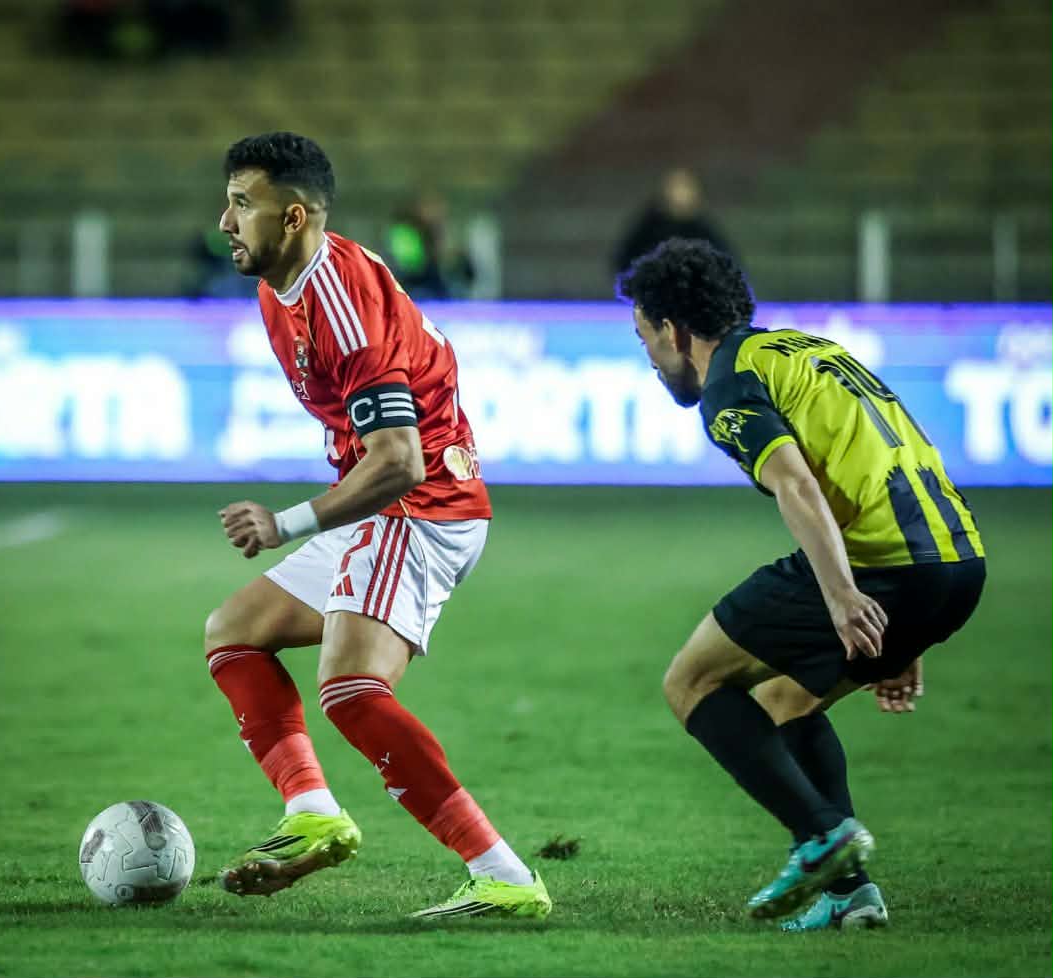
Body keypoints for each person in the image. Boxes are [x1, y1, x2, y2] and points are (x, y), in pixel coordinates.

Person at [206, 131, 551, 920]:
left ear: (293, 217)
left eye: (242, 204)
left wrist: (285, 522)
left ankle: (501, 874)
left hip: (419, 507)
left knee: (352, 688)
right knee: (235, 633)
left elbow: (399, 460)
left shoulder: (339, 304)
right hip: (383, 502)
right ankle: (311, 813)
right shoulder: (279, 287)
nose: (225, 222)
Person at [616, 238, 985, 930]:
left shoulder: (730, 383)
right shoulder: (810, 351)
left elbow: (795, 483)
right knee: (785, 699)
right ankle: (850, 894)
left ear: (674, 329)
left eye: (646, 340)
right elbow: (900, 452)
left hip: (882, 563)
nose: (651, 358)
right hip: (956, 561)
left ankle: (821, 837)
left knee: (691, 682)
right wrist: (910, 630)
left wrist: (845, 595)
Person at [612, 168, 735, 278]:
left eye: (685, 189)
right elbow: (624, 261)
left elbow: (727, 261)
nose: (680, 195)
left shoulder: (703, 229)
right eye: (675, 189)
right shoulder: (648, 228)